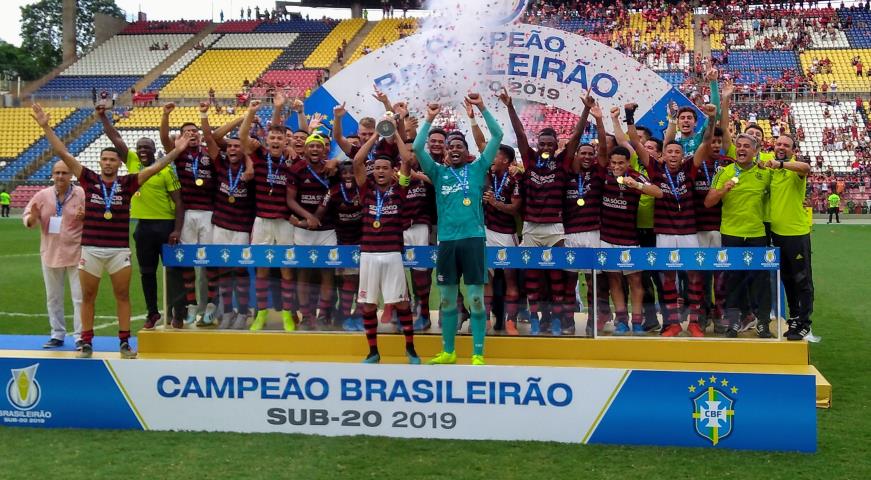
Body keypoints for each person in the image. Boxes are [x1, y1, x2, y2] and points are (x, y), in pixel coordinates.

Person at [32, 102, 188, 359]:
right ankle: (86, 341)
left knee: (122, 295)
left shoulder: (128, 182)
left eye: (112, 160)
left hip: (118, 250)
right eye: (104, 159)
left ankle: (124, 342)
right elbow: (62, 152)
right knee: (88, 296)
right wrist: (46, 127)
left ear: (119, 163)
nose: (107, 163)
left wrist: (177, 150)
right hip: (91, 249)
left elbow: (156, 167)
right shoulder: (88, 179)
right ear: (100, 161)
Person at [413, 93, 504, 366]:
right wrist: (429, 119)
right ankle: (449, 352)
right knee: (447, 301)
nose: (454, 149)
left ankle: (477, 353)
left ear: (466, 151)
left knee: (475, 299)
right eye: (450, 146)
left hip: (473, 240)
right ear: (445, 152)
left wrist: (481, 107)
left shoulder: (477, 168)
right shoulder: (438, 172)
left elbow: (497, 135)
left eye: (459, 146)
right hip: (447, 242)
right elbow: (417, 147)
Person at [97, 103, 187, 329]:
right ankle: (152, 312)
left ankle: (178, 312)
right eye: (140, 147)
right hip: (143, 228)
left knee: (174, 272)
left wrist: (177, 229)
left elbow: (179, 202)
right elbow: (116, 138)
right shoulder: (132, 161)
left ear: (154, 149)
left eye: (147, 147)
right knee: (147, 273)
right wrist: (103, 117)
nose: (143, 150)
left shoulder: (165, 170)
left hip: (166, 227)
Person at [353, 128, 419, 364]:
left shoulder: (400, 189)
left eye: (385, 168)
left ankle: (410, 349)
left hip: (392, 255)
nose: (380, 171)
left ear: (393, 172)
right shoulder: (366, 189)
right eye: (377, 168)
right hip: (369, 255)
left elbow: (407, 161)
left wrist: (395, 134)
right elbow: (357, 161)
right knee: (368, 305)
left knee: (402, 303)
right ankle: (373, 352)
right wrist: (377, 135)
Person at [705, 134, 772, 338]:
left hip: (757, 234)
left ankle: (763, 323)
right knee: (733, 280)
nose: (742, 149)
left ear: (755, 151)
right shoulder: (724, 172)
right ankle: (733, 322)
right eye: (739, 146)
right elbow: (708, 202)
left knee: (760, 280)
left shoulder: (765, 173)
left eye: (746, 146)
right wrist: (723, 190)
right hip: (731, 234)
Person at [160, 102, 218, 326]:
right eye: (186, 132)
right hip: (187, 214)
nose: (191, 134)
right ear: (180, 138)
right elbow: (164, 138)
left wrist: (204, 116)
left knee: (209, 259)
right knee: (187, 260)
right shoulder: (178, 155)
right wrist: (166, 115)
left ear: (200, 135)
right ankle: (192, 304)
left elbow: (213, 137)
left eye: (194, 131)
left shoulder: (209, 152)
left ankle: (210, 303)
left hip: (208, 213)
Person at [22, 161, 85, 349]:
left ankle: (81, 337)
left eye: (64, 173)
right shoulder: (42, 195)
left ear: (71, 175)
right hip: (50, 252)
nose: (60, 176)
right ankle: (57, 334)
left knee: (80, 298)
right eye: (57, 172)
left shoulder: (81, 194)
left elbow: (95, 216)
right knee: (53, 297)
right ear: (52, 174)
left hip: (77, 252)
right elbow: (28, 218)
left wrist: (86, 216)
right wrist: (32, 218)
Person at [764, 134, 815, 341]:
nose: (781, 147)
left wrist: (781, 164)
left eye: (786, 145)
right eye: (778, 144)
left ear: (793, 150)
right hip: (777, 234)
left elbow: (806, 168)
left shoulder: (794, 169)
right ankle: (794, 317)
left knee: (802, 280)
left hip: (796, 234)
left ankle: (805, 323)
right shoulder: (772, 171)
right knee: (787, 279)